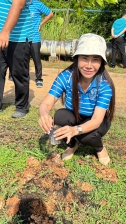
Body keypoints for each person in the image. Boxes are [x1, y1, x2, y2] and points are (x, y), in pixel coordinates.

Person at [38, 33, 115, 165]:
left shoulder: (104, 85)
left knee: (88, 136)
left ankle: (99, 147)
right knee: (60, 116)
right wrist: (44, 114)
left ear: (102, 62)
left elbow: (96, 120)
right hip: (76, 117)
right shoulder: (66, 77)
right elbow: (46, 103)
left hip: (98, 121)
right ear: (77, 58)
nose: (89, 65)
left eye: (95, 59)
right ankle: (72, 145)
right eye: (84, 58)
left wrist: (75, 130)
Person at [9, 0, 53, 87]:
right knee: (24, 59)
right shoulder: (21, 4)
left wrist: (41, 24)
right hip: (23, 38)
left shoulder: (38, 4)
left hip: (34, 38)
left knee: (36, 58)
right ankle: (26, 78)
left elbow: (50, 13)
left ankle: (39, 78)